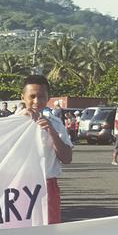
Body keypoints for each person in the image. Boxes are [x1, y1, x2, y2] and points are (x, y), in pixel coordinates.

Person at [18, 74, 73, 223]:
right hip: (18, 186)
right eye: (32, 96)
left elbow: (67, 158)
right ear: (23, 97)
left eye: (41, 96)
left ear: (48, 98)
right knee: (17, 230)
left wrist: (52, 132)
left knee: (49, 229)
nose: (37, 101)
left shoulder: (55, 124)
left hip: (47, 187)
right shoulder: (11, 124)